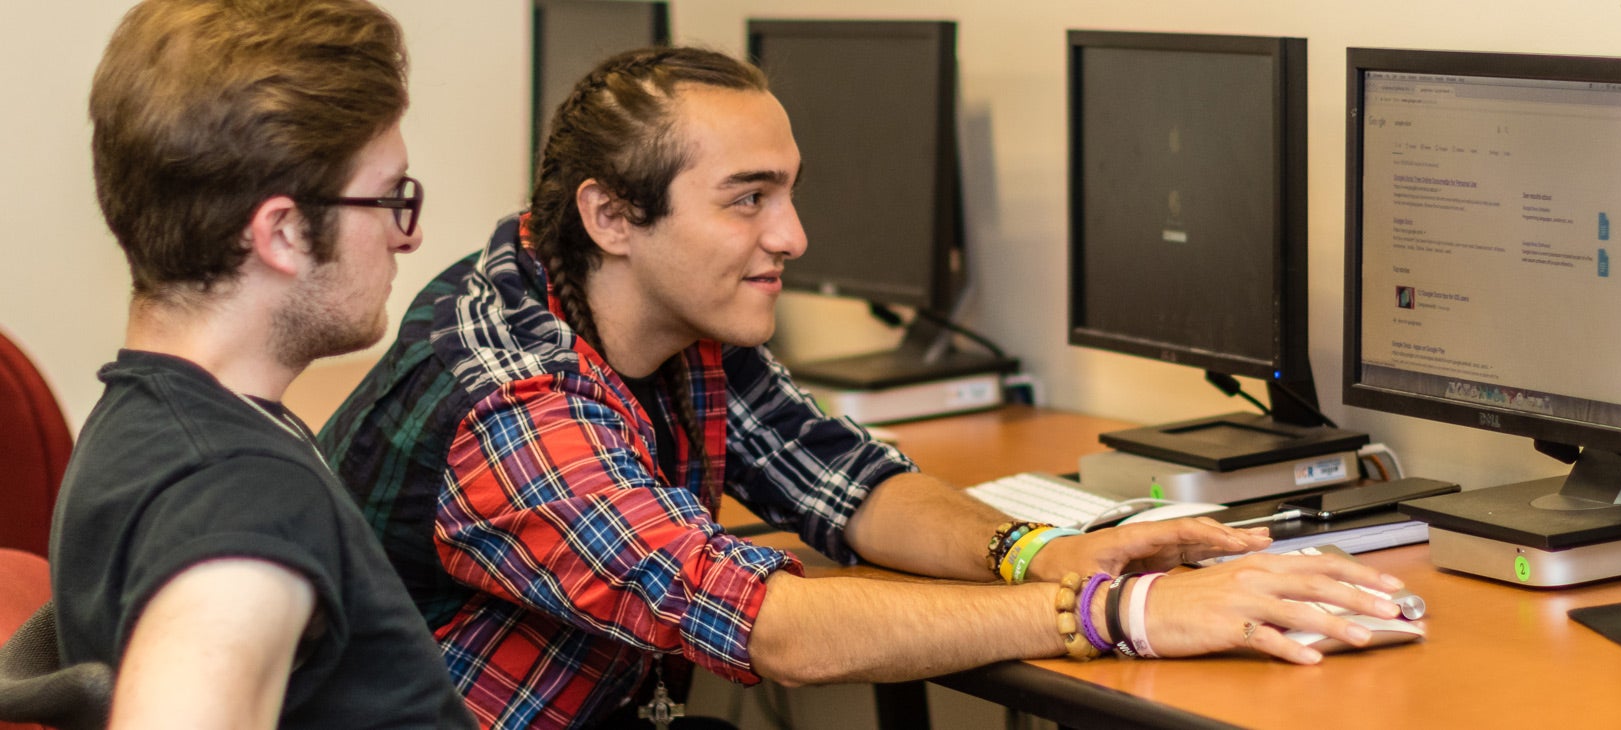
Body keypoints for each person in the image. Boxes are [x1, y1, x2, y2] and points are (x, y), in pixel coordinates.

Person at [319, 46, 1408, 729]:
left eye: (786, 192)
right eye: (748, 199)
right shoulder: (517, 401)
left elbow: (839, 477)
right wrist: (1115, 610)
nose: (790, 235)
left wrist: (1036, 551)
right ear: (612, 216)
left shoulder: (634, 298)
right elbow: (770, 629)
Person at [49, 0, 474, 726]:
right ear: (282, 233)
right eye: (389, 197)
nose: (409, 236)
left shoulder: (142, 418)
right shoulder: (245, 500)